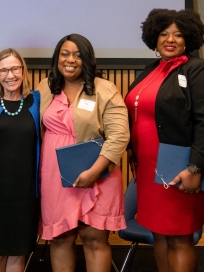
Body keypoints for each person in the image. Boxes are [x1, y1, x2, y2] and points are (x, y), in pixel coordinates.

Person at [125, 9, 204, 272]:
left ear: (188, 38)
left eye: (178, 34)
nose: (170, 39)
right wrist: (131, 150)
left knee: (179, 236)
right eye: (164, 33)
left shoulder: (200, 70)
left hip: (179, 167)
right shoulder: (150, 70)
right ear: (154, 38)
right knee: (158, 232)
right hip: (147, 169)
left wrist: (196, 168)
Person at [38, 33, 129, 272]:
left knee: (94, 239)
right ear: (57, 58)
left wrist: (94, 172)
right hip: (55, 177)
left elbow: (119, 136)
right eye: (65, 54)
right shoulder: (44, 88)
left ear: (87, 59)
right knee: (60, 238)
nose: (71, 60)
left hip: (97, 175)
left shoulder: (105, 89)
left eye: (78, 55)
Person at [0, 49, 41, 272]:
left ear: (23, 70)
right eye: (3, 70)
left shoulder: (37, 100)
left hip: (25, 192)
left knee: (18, 253)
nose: (10, 75)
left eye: (15, 68)